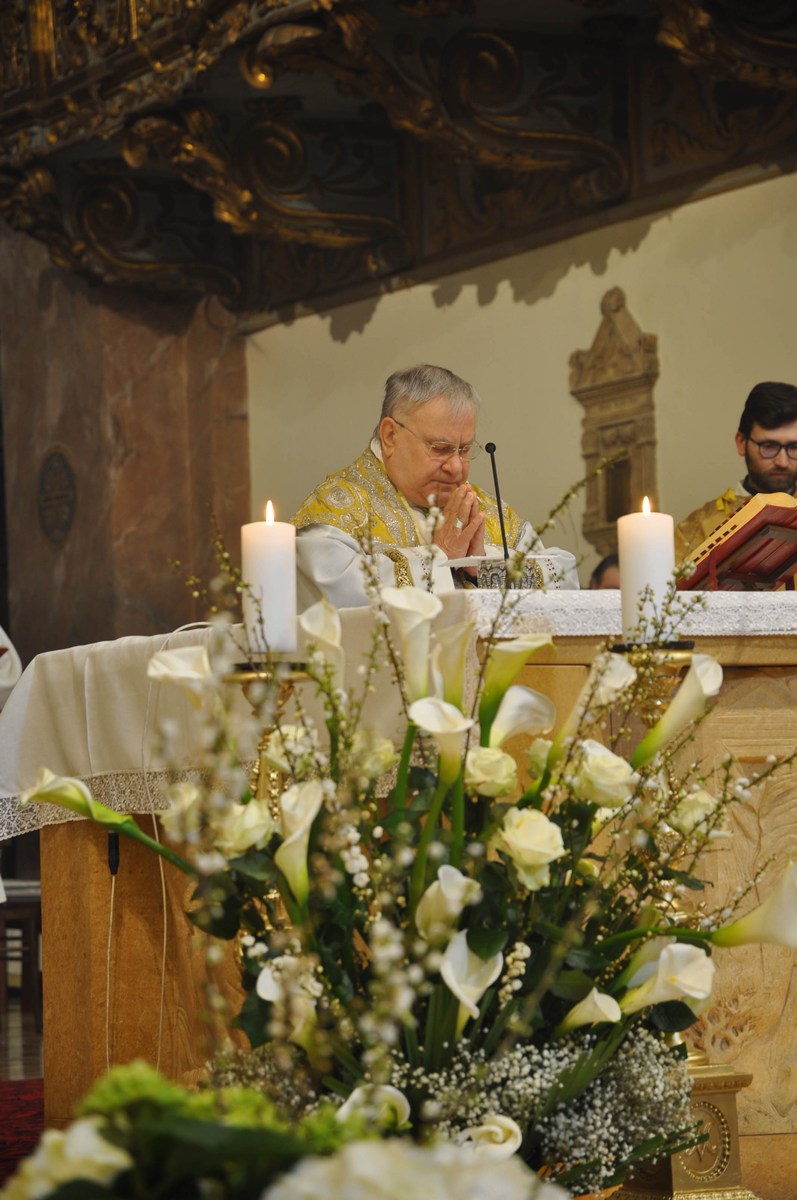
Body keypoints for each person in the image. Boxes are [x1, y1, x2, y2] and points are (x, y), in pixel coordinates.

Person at [292, 364, 578, 607]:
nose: (456, 466)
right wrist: (440, 557)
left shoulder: (485, 511)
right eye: (440, 448)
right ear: (390, 436)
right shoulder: (339, 507)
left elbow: (565, 580)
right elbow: (333, 594)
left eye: (465, 450)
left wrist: (482, 564)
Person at [675, 381, 797, 564]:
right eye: (769, 446)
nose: (782, 461)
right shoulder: (697, 528)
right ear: (741, 442)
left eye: (794, 447)